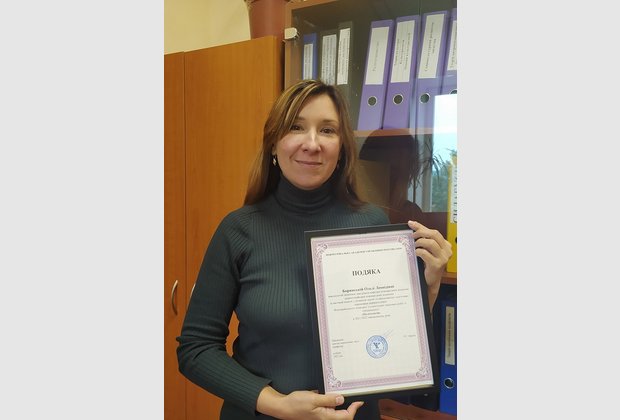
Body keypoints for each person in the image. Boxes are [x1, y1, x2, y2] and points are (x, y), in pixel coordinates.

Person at [176, 79, 452, 420]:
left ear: (342, 148)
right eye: (296, 127)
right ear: (273, 143)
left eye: (327, 130)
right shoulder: (238, 230)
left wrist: (429, 287)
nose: (312, 144)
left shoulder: (372, 224)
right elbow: (196, 349)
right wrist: (277, 404)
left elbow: (390, 338)